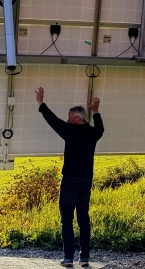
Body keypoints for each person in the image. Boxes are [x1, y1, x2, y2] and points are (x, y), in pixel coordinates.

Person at [35, 87, 105, 267]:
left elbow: (53, 121)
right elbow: (100, 127)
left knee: (66, 219)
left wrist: (41, 103)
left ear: (76, 118)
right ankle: (85, 258)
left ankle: (68, 258)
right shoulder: (93, 134)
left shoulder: (69, 131)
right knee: (83, 218)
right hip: (86, 181)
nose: (66, 119)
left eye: (69, 116)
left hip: (70, 181)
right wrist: (96, 110)